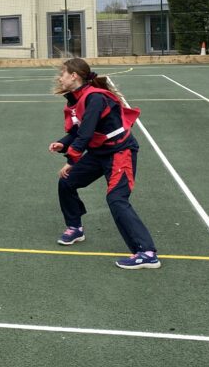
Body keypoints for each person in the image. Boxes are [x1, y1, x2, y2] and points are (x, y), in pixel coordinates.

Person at [48, 57, 160, 270]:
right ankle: (75, 228)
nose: (59, 78)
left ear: (74, 76)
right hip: (99, 153)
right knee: (67, 182)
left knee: (117, 199)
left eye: (62, 74)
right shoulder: (79, 97)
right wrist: (63, 144)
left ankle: (146, 253)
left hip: (119, 152)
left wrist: (72, 160)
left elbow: (86, 133)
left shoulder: (95, 98)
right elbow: (78, 131)